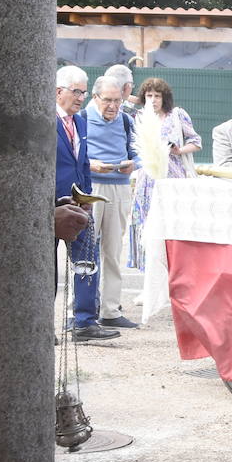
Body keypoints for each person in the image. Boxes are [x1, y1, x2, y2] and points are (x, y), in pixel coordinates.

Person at [55, 65, 118, 342]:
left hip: (79, 204)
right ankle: (42, 326)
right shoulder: (45, 120)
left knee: (86, 262)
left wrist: (87, 197)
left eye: (83, 91)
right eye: (76, 91)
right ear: (58, 92)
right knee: (44, 269)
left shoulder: (80, 122)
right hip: (52, 206)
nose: (81, 97)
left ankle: (84, 322)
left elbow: (81, 162)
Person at [129, 77, 200, 269]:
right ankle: (149, 281)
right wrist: (137, 100)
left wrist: (178, 150)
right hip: (147, 181)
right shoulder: (139, 116)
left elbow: (196, 141)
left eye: (157, 95)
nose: (153, 100)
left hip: (173, 179)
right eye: (149, 95)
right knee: (146, 229)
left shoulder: (176, 115)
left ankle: (172, 278)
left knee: (171, 228)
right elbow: (118, 103)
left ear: (164, 97)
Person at [85, 76, 138, 330]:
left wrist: (133, 164)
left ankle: (111, 309)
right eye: (107, 100)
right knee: (85, 250)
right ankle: (83, 309)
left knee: (113, 251)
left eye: (117, 100)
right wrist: (90, 164)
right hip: (92, 186)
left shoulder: (126, 120)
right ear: (95, 98)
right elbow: (71, 152)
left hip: (119, 187)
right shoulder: (81, 119)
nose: (113, 106)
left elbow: (136, 152)